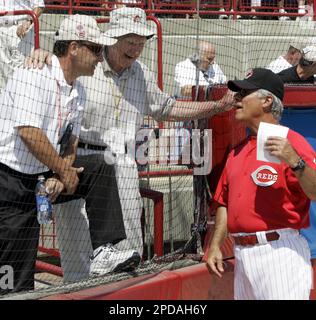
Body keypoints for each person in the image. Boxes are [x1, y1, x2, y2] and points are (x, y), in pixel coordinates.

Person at [29, 7, 235, 283]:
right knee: (76, 247)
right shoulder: (86, 66)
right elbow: (59, 65)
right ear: (112, 38)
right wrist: (42, 55)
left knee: (126, 251)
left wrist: (216, 107)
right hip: (78, 162)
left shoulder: (141, 73)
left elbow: (167, 107)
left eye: (141, 42)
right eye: (130, 41)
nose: (137, 49)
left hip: (122, 165)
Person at [0, 14, 142, 295]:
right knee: (14, 277)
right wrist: (62, 171)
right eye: (96, 49)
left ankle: (103, 250)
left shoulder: (77, 88)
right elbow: (29, 133)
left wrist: (58, 172)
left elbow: (70, 142)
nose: (100, 58)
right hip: (10, 182)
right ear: (74, 47)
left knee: (100, 165)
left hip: (39, 175)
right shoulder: (34, 74)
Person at [206, 68, 315, 300]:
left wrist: (295, 162)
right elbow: (224, 202)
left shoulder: (292, 142)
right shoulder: (237, 151)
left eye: (244, 93)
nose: (236, 99)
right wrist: (215, 245)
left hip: (279, 252)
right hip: (242, 255)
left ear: (266, 101)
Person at [173, 40, 226, 160]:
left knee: (208, 157)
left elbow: (223, 83)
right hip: (189, 117)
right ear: (198, 56)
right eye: (209, 59)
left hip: (210, 117)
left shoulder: (214, 66)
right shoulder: (183, 66)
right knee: (186, 157)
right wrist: (209, 90)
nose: (212, 62)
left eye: (213, 58)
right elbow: (185, 90)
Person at [0, 0, 45, 91]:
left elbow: (39, 5)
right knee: (3, 76)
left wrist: (28, 21)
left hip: (21, 28)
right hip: (1, 28)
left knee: (23, 72)